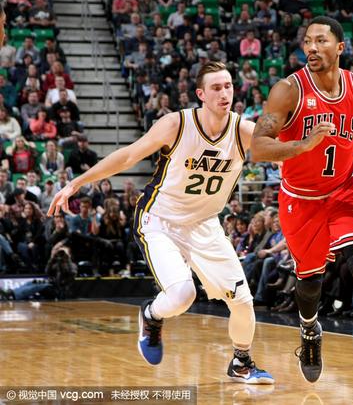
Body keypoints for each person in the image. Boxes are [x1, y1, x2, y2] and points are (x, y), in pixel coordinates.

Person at [48, 61, 274, 384]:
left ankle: (241, 362)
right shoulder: (177, 124)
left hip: (205, 224)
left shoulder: (244, 131)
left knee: (242, 300)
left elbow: (284, 152)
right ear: (201, 94)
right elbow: (128, 156)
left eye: (228, 86)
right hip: (161, 220)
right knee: (183, 295)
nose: (225, 93)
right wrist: (77, 183)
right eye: (216, 88)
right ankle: (151, 316)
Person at [251, 16, 353, 394]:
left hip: (343, 190)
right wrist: (300, 146)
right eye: (307, 41)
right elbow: (257, 146)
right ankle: (309, 329)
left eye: (320, 40)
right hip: (300, 200)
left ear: (340, 47)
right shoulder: (287, 91)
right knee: (310, 283)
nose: (311, 48)